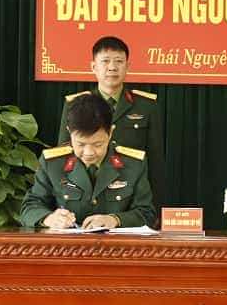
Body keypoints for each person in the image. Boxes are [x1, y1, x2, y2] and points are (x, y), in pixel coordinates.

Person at [57, 36, 165, 206]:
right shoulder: (75, 104)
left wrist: (156, 207)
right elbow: (65, 154)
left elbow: (156, 162)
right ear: (94, 67)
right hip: (87, 195)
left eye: (119, 61)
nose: (112, 67)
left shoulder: (146, 106)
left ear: (128, 66)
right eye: (105, 61)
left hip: (131, 197)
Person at [23, 93, 156, 229]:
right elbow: (30, 207)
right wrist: (48, 218)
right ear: (69, 132)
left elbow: (147, 213)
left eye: (97, 144)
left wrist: (115, 220)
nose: (88, 153)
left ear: (110, 132)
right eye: (80, 144)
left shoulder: (133, 164)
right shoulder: (52, 163)